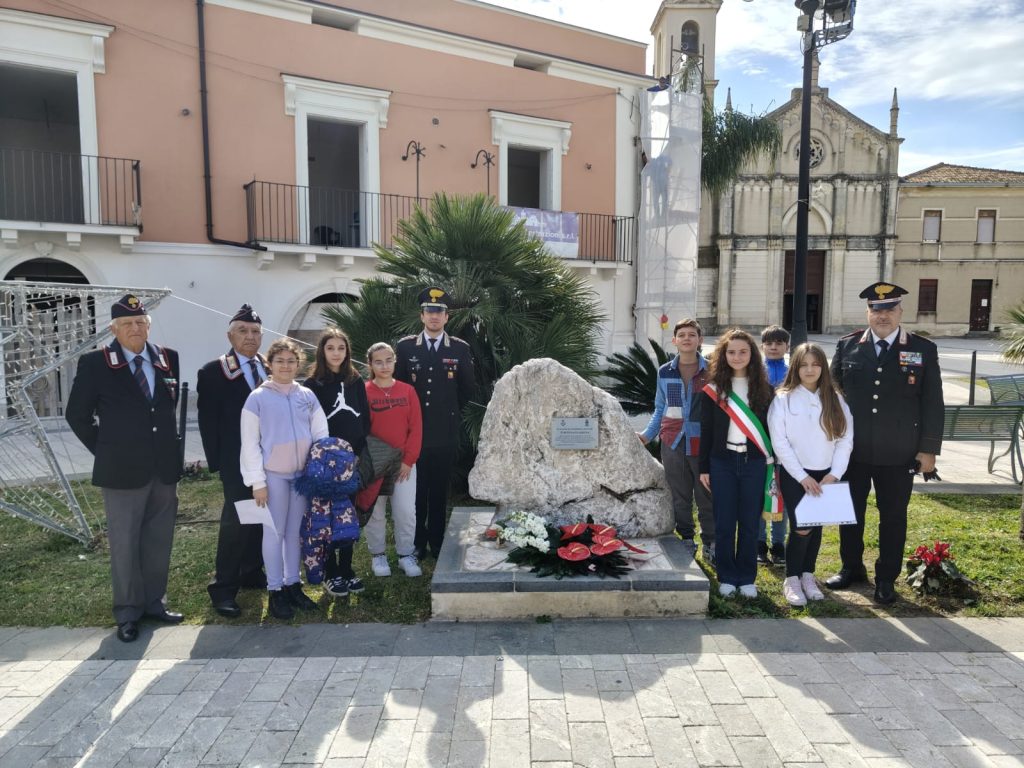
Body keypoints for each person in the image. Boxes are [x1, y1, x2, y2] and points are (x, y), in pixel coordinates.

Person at [65, 294, 184, 643]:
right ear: (114, 329)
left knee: (158, 538)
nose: (135, 328)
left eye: (140, 322)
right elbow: (77, 415)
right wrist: (107, 449)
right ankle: (128, 612)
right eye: (127, 324)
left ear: (148, 326)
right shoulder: (96, 363)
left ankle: (154, 602)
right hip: (121, 469)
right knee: (125, 542)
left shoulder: (167, 358)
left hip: (163, 467)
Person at [827, 282, 944, 605]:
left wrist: (928, 449)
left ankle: (886, 579)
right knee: (850, 513)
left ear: (900, 312)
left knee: (893, 517)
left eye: (889, 309)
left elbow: (933, 403)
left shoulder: (922, 349)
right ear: (868, 312)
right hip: (854, 452)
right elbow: (831, 397)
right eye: (876, 310)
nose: (883, 316)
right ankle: (851, 567)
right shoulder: (847, 346)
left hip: (899, 452)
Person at [240, 338, 328, 620]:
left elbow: (320, 431)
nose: (286, 366)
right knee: (274, 533)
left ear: (298, 363)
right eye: (280, 361)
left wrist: (318, 468)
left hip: (301, 476)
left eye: (291, 361)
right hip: (273, 477)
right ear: (270, 364)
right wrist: (258, 482)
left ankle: (293, 584)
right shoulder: (257, 398)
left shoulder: (306, 395)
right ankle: (275, 589)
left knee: (294, 533)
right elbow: (250, 442)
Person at [767, 343, 853, 607]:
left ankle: (808, 575)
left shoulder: (835, 398)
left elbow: (845, 438)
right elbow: (780, 442)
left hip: (826, 474)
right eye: (804, 364)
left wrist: (834, 473)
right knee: (802, 527)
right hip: (797, 474)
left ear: (823, 368)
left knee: (816, 526)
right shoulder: (783, 398)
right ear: (795, 367)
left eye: (815, 364)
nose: (810, 369)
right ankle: (791, 578)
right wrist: (802, 476)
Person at [197, 304, 268, 618]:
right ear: (230, 335)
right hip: (236, 461)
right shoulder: (214, 371)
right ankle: (223, 588)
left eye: (255, 332)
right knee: (236, 523)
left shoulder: (270, 366)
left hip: (268, 459)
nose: (249, 337)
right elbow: (207, 421)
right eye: (243, 331)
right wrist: (219, 464)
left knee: (260, 518)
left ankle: (251, 572)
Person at [395, 287, 475, 560]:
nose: (434, 317)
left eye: (439, 312)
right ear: (421, 316)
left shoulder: (460, 349)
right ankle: (418, 542)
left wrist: (449, 412)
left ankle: (437, 541)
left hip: (445, 432)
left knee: (439, 491)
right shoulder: (405, 347)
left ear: (446, 317)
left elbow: (467, 389)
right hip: (414, 433)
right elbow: (399, 388)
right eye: (429, 311)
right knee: (417, 491)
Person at [698, 329, 778, 599]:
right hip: (722, 462)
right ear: (723, 355)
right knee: (724, 522)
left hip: (754, 463)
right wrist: (703, 468)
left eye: (743, 351)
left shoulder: (766, 390)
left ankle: (746, 577)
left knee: (749, 522)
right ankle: (726, 576)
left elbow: (772, 430)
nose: (737, 356)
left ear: (752, 355)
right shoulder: (713, 389)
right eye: (731, 352)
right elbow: (705, 431)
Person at [638, 318, 714, 563]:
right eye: (682, 335)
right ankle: (687, 539)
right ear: (674, 340)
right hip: (672, 441)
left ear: (700, 340)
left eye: (692, 335)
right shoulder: (665, 371)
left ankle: (711, 542)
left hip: (702, 443)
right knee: (679, 495)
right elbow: (660, 408)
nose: (687, 339)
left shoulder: (711, 371)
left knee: (706, 496)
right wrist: (647, 436)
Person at [303, 328, 370, 599]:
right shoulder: (312, 385)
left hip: (350, 460)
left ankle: (346, 569)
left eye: (341, 348)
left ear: (347, 352)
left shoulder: (355, 381)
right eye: (331, 348)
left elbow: (364, 418)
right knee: (327, 518)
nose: (336, 353)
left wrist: (356, 452)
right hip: (325, 463)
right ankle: (331, 573)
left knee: (347, 516)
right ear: (322, 351)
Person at [359, 342, 423, 578]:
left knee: (405, 510)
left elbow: (416, 428)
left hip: (403, 464)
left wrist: (409, 460)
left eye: (388, 360)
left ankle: (406, 554)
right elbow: (360, 429)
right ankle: (378, 555)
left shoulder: (407, 391)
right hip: (374, 463)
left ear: (395, 361)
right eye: (378, 361)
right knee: (375, 510)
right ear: (371, 364)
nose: (384, 366)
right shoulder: (363, 391)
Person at [758, 325, 791, 566]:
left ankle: (779, 543)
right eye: (769, 343)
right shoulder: (755, 373)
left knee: (782, 494)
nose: (773, 347)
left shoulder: (794, 373)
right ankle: (759, 542)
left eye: (779, 343)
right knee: (760, 494)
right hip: (760, 440)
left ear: (787, 347)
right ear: (762, 346)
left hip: (786, 444)